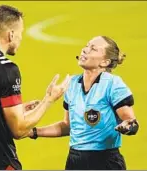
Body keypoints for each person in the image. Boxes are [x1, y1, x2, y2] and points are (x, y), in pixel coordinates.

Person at [0, 5, 70, 170]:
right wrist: (49, 99)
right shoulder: (6, 69)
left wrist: (18, 109)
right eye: (20, 33)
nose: (20, 38)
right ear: (11, 34)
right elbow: (19, 130)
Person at [29, 36, 139, 170]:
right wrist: (33, 132)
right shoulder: (72, 84)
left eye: (93, 49)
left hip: (105, 160)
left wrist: (128, 125)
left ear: (105, 62)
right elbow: (67, 126)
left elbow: (130, 120)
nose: (85, 50)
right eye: (87, 46)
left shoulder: (113, 84)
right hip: (75, 160)